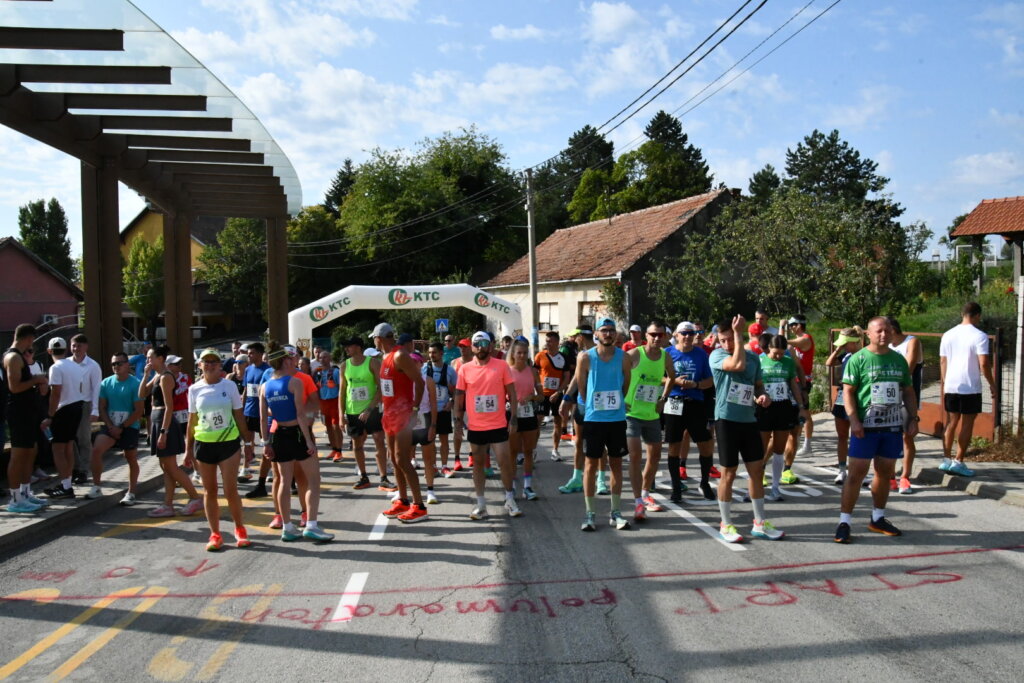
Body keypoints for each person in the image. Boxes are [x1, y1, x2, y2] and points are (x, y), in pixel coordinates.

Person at [835, 316, 919, 543]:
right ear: (868, 334)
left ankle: (878, 517)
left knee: (884, 472)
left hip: (891, 426)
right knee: (856, 473)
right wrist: (853, 420)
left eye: (888, 331)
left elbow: (908, 391)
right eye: (879, 331)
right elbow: (849, 392)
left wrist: (913, 417)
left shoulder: (899, 360)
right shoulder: (858, 359)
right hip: (865, 427)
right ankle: (844, 522)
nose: (884, 335)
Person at [709, 315, 785, 543]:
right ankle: (726, 523)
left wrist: (763, 396)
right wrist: (738, 338)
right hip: (726, 419)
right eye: (722, 340)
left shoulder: (754, 358)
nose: (727, 344)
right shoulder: (717, 355)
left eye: (729, 339)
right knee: (728, 473)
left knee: (756, 471)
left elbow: (758, 385)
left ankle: (760, 523)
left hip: (749, 420)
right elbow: (737, 365)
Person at [259, 342, 333, 542]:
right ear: (284, 361)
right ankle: (311, 525)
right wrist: (309, 441)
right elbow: (301, 414)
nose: (294, 361)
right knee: (313, 480)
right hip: (297, 433)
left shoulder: (264, 386)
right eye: (291, 359)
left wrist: (265, 442)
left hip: (277, 434)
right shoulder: (295, 382)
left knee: (284, 480)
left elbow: (262, 418)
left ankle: (287, 527)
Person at [186, 348, 256, 550]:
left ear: (220, 365)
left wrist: (248, 443)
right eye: (205, 362)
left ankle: (240, 529)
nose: (209, 365)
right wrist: (188, 450)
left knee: (230, 489)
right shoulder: (194, 389)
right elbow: (192, 421)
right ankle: (215, 534)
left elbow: (238, 415)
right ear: (200, 365)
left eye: (214, 361)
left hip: (228, 443)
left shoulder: (230, 386)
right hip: (204, 444)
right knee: (210, 491)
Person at [454, 331, 520, 519]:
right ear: (472, 347)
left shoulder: (501, 366)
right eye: (477, 343)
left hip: (498, 424)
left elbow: (512, 393)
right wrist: (458, 421)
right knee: (478, 465)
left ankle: (509, 498)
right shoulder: (465, 369)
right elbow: (459, 395)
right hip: (476, 426)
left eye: (484, 343)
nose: (481, 346)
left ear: (490, 346)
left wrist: (513, 417)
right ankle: (481, 504)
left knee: (504, 462)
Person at [575, 317, 631, 531]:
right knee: (590, 465)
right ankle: (590, 514)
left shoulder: (624, 357)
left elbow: (625, 386)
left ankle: (615, 512)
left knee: (616, 465)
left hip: (616, 419)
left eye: (611, 330)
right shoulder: (585, 358)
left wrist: (615, 404)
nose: (608, 334)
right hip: (594, 419)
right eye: (604, 330)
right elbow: (581, 387)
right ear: (596, 334)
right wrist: (592, 405)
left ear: (615, 334)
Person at [139, 344, 203, 518]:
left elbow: (169, 407)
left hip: (164, 421)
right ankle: (168, 505)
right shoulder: (157, 375)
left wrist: (163, 432)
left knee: (172, 467)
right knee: (165, 467)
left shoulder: (166, 377)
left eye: (150, 358)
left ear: (160, 359)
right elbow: (142, 393)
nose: (148, 361)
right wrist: (145, 375)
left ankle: (195, 498)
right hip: (156, 419)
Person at [376, 323, 429, 523]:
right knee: (394, 459)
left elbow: (420, 382)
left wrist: (415, 409)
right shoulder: (384, 357)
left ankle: (419, 506)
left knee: (403, 459)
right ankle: (403, 500)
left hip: (403, 414)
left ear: (380, 338)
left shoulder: (400, 356)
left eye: (375, 338)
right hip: (389, 414)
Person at [625, 320, 674, 522]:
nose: (656, 338)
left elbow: (672, 376)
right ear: (646, 335)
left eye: (660, 335)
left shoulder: (665, 356)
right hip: (631, 414)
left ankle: (645, 494)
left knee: (654, 458)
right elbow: (617, 370)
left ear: (665, 337)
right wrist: (620, 398)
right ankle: (638, 502)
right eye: (653, 334)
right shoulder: (635, 354)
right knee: (635, 457)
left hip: (652, 415)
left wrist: (663, 399)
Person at [939, 302, 994, 478]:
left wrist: (945, 382)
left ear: (963, 314)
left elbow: (943, 361)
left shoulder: (947, 335)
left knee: (951, 422)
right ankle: (959, 461)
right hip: (970, 386)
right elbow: (984, 363)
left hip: (951, 384)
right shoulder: (980, 336)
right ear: (977, 315)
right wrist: (992, 384)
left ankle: (946, 459)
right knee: (967, 424)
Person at [665, 321, 715, 503]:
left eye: (690, 334)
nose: (687, 337)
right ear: (677, 335)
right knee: (674, 445)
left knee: (705, 443)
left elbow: (710, 381)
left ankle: (704, 482)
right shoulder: (668, 353)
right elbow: (659, 377)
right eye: (684, 333)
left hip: (695, 402)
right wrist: (674, 381)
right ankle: (676, 487)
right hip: (674, 401)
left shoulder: (701, 354)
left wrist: (695, 384)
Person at [85, 352, 144, 504]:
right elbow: (102, 407)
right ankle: (96, 486)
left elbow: (138, 411)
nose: (116, 366)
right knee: (96, 450)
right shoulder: (106, 383)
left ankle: (131, 492)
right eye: (113, 364)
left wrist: (122, 426)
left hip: (129, 425)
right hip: (110, 426)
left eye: (119, 363)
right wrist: (111, 426)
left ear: (127, 364)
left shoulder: (135, 383)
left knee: (130, 457)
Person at [4, 325, 50, 512]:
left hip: (28, 411)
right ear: (29, 338)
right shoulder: (13, 357)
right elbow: (14, 387)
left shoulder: (21, 357)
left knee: (31, 451)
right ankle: (15, 499)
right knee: (18, 455)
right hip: (18, 412)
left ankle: (25, 492)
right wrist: (37, 379)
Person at [757, 335, 805, 502]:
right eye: (775, 353)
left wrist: (801, 407)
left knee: (779, 449)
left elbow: (793, 384)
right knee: (760, 449)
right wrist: (757, 398)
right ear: (768, 348)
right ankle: (755, 486)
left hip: (783, 406)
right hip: (764, 408)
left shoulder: (788, 362)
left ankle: (775, 488)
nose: (778, 357)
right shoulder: (759, 361)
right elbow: (754, 384)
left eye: (781, 353)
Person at [339, 336, 387, 491]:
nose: (346, 349)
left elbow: (381, 388)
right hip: (353, 410)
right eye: (345, 347)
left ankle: (384, 477)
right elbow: (342, 392)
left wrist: (369, 409)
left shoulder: (372, 363)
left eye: (349, 346)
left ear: (358, 347)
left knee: (379, 440)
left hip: (372, 410)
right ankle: (363, 476)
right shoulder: (344, 366)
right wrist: (341, 415)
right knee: (357, 444)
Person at [41, 337, 86, 499]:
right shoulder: (74, 366)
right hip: (77, 406)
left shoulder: (55, 368)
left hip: (63, 410)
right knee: (68, 446)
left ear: (49, 351)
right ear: (66, 349)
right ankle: (67, 483)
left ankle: (66, 486)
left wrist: (49, 416)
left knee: (58, 449)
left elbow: (56, 393)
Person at [887, 317, 923, 493]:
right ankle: (891, 476)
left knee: (906, 437)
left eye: (885, 331)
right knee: (890, 438)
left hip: (908, 397)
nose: (882, 336)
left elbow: (907, 370)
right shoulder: (885, 347)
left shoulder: (912, 341)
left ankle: (905, 478)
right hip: (886, 399)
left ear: (893, 330)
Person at [825, 328, 863, 486]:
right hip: (842, 397)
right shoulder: (845, 355)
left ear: (853, 342)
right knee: (842, 436)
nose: (844, 347)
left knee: (859, 435)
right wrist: (838, 349)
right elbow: (829, 363)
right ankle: (842, 470)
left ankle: (859, 470)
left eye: (845, 344)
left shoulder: (863, 355)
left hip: (858, 397)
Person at [507, 339, 542, 501]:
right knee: (513, 453)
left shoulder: (533, 371)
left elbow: (541, 396)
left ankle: (527, 487)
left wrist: (531, 397)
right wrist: (509, 401)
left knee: (528, 452)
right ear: (513, 354)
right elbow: (501, 394)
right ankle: (512, 487)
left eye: (524, 353)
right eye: (519, 353)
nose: (522, 356)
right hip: (512, 415)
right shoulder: (507, 371)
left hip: (528, 414)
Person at [70, 334, 102, 485]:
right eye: (74, 345)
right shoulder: (66, 364)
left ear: (86, 347)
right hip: (68, 405)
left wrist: (95, 410)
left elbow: (96, 388)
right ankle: (75, 467)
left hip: (84, 404)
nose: (76, 349)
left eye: (79, 346)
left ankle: (83, 470)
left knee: (83, 438)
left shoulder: (92, 365)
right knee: (70, 438)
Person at [241, 343, 272, 497]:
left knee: (266, 444)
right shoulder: (247, 369)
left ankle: (269, 471)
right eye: (248, 353)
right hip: (248, 411)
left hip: (262, 413)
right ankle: (245, 468)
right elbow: (246, 389)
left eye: (252, 353)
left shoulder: (267, 370)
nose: (249, 355)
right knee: (247, 442)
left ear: (260, 354)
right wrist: (241, 407)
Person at [423, 342, 458, 477]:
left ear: (441, 353)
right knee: (429, 441)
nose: (431, 355)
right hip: (428, 410)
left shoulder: (450, 370)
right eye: (430, 352)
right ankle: (433, 466)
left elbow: (457, 389)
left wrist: (452, 402)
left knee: (444, 440)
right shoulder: (425, 368)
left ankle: (444, 466)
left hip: (443, 410)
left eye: (434, 352)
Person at [409, 352, 440, 504]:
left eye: (415, 362)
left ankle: (430, 491)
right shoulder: (404, 380)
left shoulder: (428, 381)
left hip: (425, 420)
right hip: (408, 422)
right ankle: (408, 491)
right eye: (410, 362)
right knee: (405, 460)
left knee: (428, 459)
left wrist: (433, 425)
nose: (413, 365)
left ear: (421, 364)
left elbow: (434, 405)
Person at [783, 315, 815, 457]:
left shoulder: (805, 339)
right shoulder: (797, 341)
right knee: (797, 413)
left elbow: (781, 342)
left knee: (805, 413)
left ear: (799, 325)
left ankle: (807, 444)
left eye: (792, 325)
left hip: (804, 380)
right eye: (789, 326)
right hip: (794, 379)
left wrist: (782, 328)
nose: (790, 328)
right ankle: (797, 439)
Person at [534, 331, 568, 461]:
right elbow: (534, 372)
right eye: (546, 341)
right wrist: (538, 387)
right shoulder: (540, 356)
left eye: (550, 341)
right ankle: (533, 450)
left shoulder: (563, 357)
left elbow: (567, 377)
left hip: (557, 394)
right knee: (537, 421)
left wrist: (559, 391)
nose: (547, 343)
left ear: (557, 342)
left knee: (557, 422)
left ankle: (555, 450)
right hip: (543, 394)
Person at [314, 350, 344, 460]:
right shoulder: (317, 372)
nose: (322, 359)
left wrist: (342, 404)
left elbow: (342, 388)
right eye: (321, 358)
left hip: (334, 401)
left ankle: (339, 451)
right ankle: (334, 449)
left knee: (336, 426)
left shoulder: (335, 372)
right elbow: (316, 388)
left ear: (330, 358)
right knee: (328, 427)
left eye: (325, 357)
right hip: (323, 402)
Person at [449, 338, 474, 470]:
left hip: (472, 400)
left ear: (471, 348)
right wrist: (451, 399)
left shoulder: (476, 362)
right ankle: (457, 458)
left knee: (472, 428)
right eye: (461, 347)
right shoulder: (455, 363)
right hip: (459, 400)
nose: (462, 349)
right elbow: (451, 384)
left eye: (465, 347)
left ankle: (471, 455)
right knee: (457, 429)